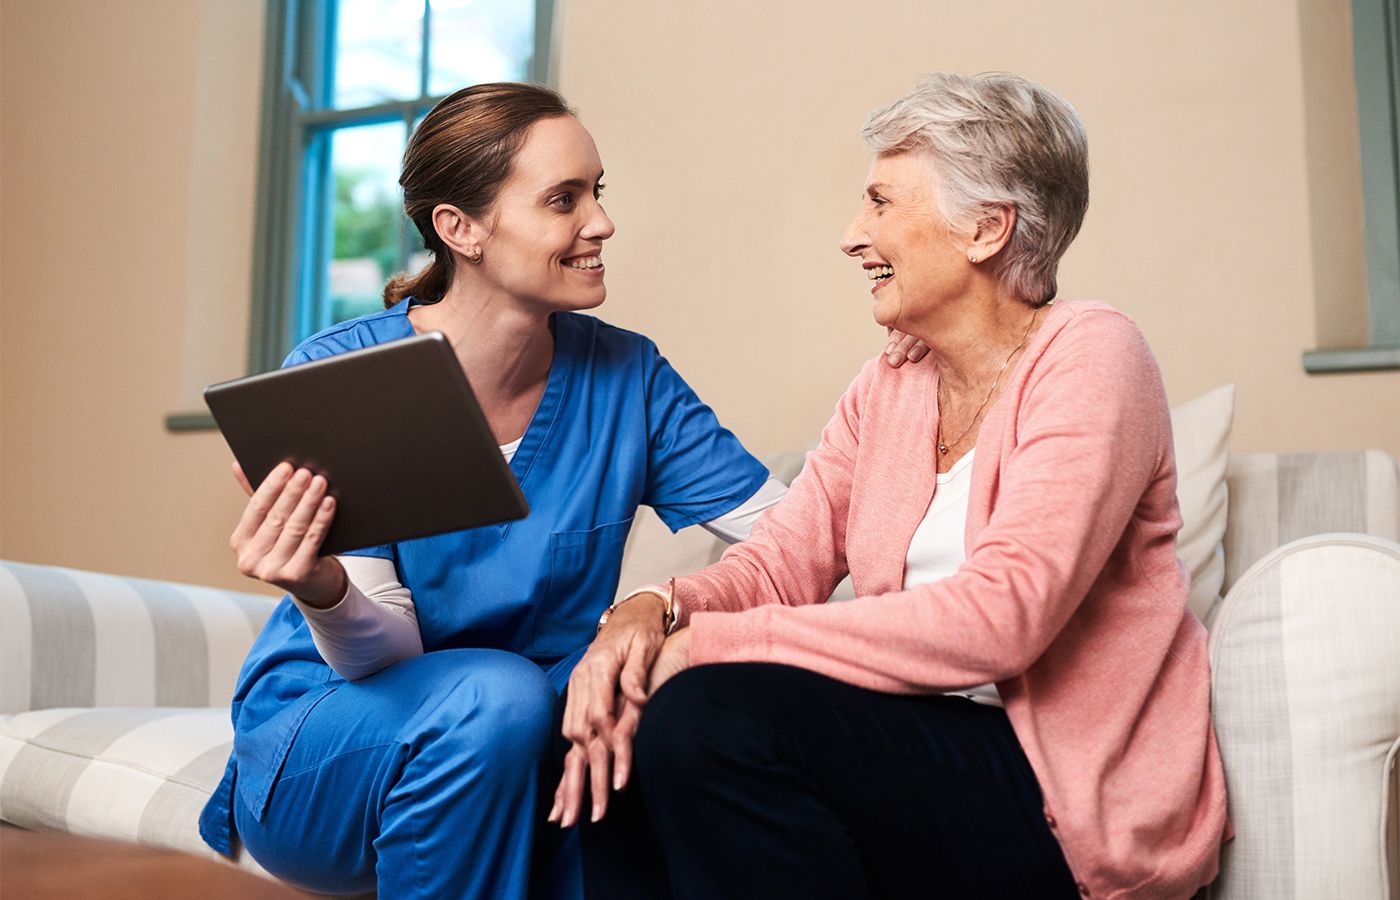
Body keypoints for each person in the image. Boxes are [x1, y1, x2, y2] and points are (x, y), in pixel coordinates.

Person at [197, 82, 923, 899]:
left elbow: (794, 540)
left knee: (648, 720)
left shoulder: (628, 377)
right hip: (338, 737)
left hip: (533, 734)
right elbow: (387, 651)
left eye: (597, 193)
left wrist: (660, 624)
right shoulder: (343, 379)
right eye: (562, 200)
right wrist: (319, 586)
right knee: (499, 700)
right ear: (459, 228)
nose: (601, 222)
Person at [559, 73, 1230, 900]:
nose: (852, 235)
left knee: (710, 717)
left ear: (987, 228)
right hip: (908, 746)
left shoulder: (1095, 356)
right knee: (607, 725)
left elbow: (1003, 617)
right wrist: (655, 610)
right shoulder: (891, 385)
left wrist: (711, 648)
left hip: (1064, 795)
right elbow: (777, 567)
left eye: (880, 203)